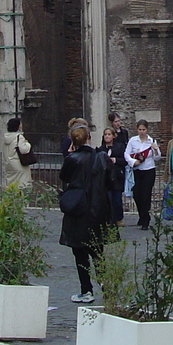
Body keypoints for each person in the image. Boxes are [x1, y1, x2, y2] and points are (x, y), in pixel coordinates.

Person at [58, 124, 115, 303]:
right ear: (89, 137)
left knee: (79, 251)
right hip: (97, 209)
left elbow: (64, 178)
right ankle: (107, 289)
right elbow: (113, 181)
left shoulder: (72, 159)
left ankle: (86, 290)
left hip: (77, 209)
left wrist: (69, 154)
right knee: (98, 252)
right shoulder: (102, 157)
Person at [124, 119, 161, 229]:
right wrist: (133, 162)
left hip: (149, 170)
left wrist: (155, 149)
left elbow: (157, 158)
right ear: (137, 130)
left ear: (147, 130)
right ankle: (142, 215)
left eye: (144, 129)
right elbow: (126, 154)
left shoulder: (151, 141)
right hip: (137, 170)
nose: (142, 132)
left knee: (146, 195)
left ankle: (145, 220)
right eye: (140, 129)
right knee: (137, 194)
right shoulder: (133, 141)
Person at [98, 125, 128, 225]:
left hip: (117, 176)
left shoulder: (120, 147)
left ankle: (119, 218)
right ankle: (108, 219)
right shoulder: (101, 149)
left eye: (109, 134)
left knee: (117, 199)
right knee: (107, 199)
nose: (107, 136)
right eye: (105, 135)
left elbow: (125, 161)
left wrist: (115, 160)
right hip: (105, 177)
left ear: (113, 136)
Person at [1, 117, 34, 189]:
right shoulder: (19, 137)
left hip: (9, 164)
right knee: (21, 185)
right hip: (19, 164)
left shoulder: (6, 138)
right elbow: (24, 150)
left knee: (11, 185)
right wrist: (28, 144)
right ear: (18, 126)